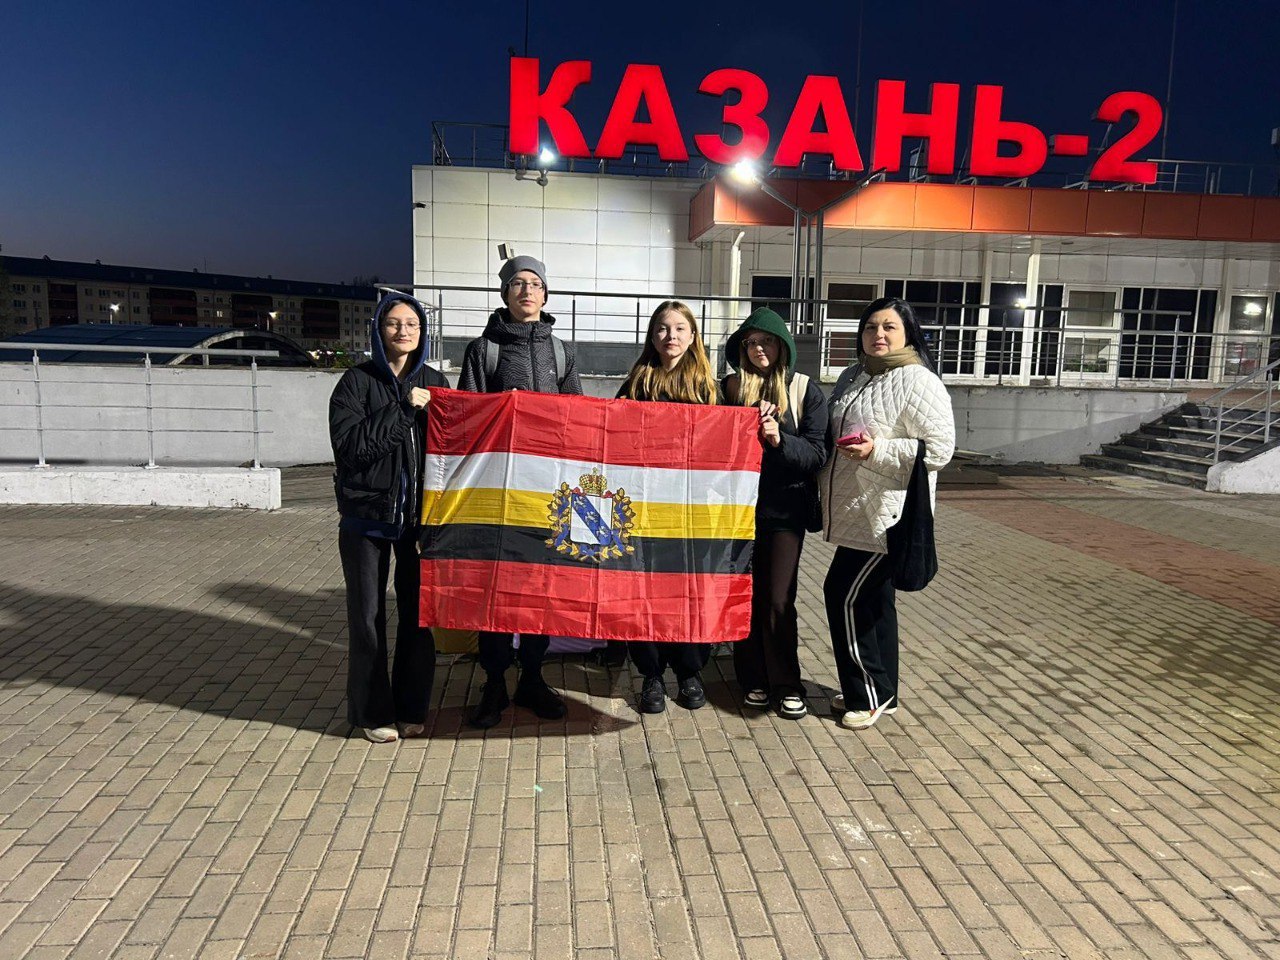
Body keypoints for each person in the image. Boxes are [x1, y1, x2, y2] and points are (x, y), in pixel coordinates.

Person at [459, 255, 582, 728]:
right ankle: (494, 680)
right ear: (505, 293)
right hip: (497, 492)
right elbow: (467, 419)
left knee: (540, 590)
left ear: (546, 295)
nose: (527, 291)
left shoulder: (562, 353)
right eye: (517, 284)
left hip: (547, 494)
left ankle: (532, 676)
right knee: (495, 589)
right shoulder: (483, 350)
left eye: (535, 284)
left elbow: (578, 418)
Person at [822, 296, 955, 730]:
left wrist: (877, 450)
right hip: (855, 510)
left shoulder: (919, 380)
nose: (878, 334)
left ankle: (866, 695)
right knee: (875, 602)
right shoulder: (856, 375)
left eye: (888, 327)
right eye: (870, 327)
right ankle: (884, 693)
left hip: (887, 515)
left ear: (907, 333)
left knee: (842, 593)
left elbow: (939, 450)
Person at [329, 291, 448, 743]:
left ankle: (412, 706)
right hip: (366, 520)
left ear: (423, 333)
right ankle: (371, 712)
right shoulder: (355, 383)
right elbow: (352, 448)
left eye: (412, 324)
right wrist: (405, 408)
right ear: (379, 330)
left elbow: (452, 449)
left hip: (419, 522)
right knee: (367, 618)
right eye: (394, 323)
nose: (403, 331)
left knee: (418, 617)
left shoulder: (435, 381)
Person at [722, 307, 828, 719]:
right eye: (751, 342)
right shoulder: (729, 388)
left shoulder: (804, 390)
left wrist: (779, 438)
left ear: (782, 345)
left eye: (766, 341)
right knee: (744, 595)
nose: (759, 349)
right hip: (735, 511)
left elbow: (817, 454)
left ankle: (786, 683)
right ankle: (752, 679)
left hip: (784, 512)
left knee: (778, 598)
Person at [616, 301, 720, 714]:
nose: (670, 336)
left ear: (693, 336)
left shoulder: (710, 389)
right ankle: (652, 672)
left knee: (690, 590)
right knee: (644, 591)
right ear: (652, 335)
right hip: (644, 509)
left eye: (679, 328)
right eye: (662, 328)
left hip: (693, 510)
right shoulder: (636, 383)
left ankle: (689, 670)